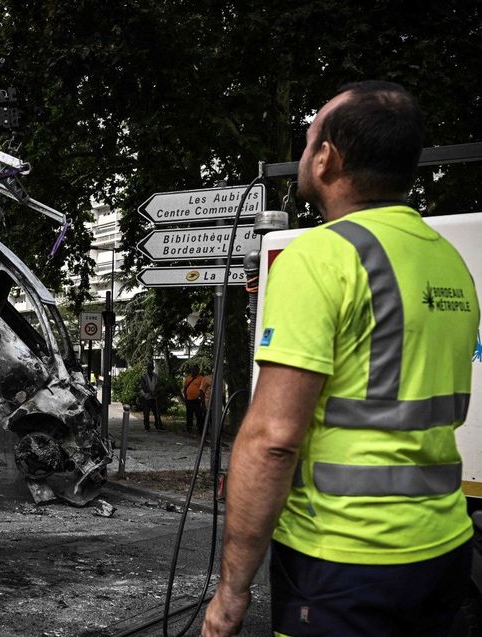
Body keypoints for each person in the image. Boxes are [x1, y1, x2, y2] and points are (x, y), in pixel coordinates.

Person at [203, 81, 478, 637]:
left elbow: (273, 440)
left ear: (327, 157)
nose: (305, 153)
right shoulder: (449, 259)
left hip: (343, 563)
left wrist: (231, 595)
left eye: (308, 142)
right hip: (444, 548)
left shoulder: (320, 256)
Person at [139, 362, 165, 431]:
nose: (150, 369)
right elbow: (143, 387)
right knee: (146, 413)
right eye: (148, 368)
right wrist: (151, 392)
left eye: (151, 368)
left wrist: (156, 391)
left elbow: (158, 385)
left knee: (156, 412)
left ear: (153, 369)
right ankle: (147, 427)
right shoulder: (143, 376)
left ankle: (158, 425)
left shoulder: (156, 376)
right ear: (147, 369)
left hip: (154, 397)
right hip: (146, 397)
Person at [181, 364, 204, 432]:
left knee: (198, 414)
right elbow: (185, 388)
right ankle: (189, 427)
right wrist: (185, 397)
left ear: (198, 370)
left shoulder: (201, 378)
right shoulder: (187, 378)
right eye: (193, 369)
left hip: (197, 400)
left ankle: (200, 428)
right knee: (189, 414)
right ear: (191, 370)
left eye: (195, 370)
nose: (194, 371)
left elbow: (203, 389)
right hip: (189, 400)